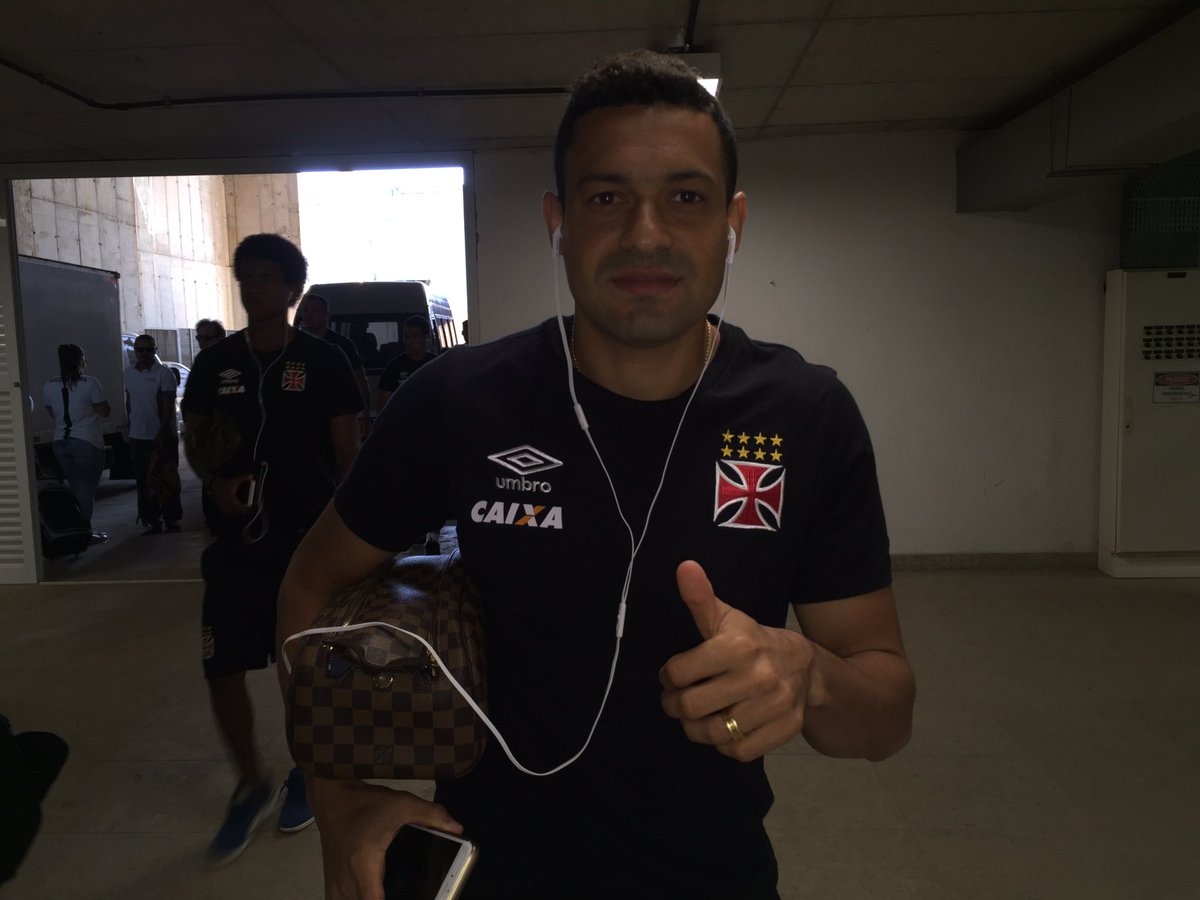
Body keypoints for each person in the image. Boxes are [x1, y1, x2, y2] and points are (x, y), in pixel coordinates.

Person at [277, 50, 915, 900]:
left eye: (686, 198)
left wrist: (811, 677)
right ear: (560, 220)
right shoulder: (459, 400)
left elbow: (885, 714)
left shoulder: (806, 416)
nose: (646, 234)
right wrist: (338, 799)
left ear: (733, 222)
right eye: (606, 198)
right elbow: (309, 586)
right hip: (482, 876)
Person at [182, 233, 363, 864]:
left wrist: (349, 540)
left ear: (291, 289)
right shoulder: (215, 364)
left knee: (301, 672)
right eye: (246, 277)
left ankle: (305, 773)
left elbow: (349, 458)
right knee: (222, 668)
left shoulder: (324, 361)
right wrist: (216, 481)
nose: (254, 288)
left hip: (305, 549)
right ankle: (250, 783)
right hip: (235, 547)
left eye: (266, 278)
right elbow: (195, 440)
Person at [41, 343, 110, 542]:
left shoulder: (49, 384)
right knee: (86, 490)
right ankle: (84, 533)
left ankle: (72, 530)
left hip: (60, 443)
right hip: (87, 441)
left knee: (75, 487)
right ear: (81, 360)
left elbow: (51, 413)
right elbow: (105, 411)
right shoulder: (90, 383)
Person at [122, 334, 181, 534]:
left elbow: (168, 406)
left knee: (168, 478)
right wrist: (130, 425)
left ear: (155, 351)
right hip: (138, 437)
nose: (144, 353)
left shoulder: (165, 374)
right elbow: (130, 400)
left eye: (148, 349)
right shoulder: (129, 374)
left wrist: (162, 433)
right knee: (143, 481)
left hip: (163, 437)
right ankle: (151, 519)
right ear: (135, 352)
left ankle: (171, 519)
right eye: (140, 350)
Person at [296, 292, 370, 433]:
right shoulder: (294, 343)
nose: (308, 315)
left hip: (336, 414)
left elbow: (360, 381)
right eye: (305, 310)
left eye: (314, 310)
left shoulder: (341, 345)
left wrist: (364, 415)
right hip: (302, 414)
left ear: (326, 314)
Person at [375, 315, 436, 415]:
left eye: (415, 336)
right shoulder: (394, 366)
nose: (409, 341)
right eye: (406, 336)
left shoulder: (435, 364)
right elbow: (383, 404)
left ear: (426, 338)